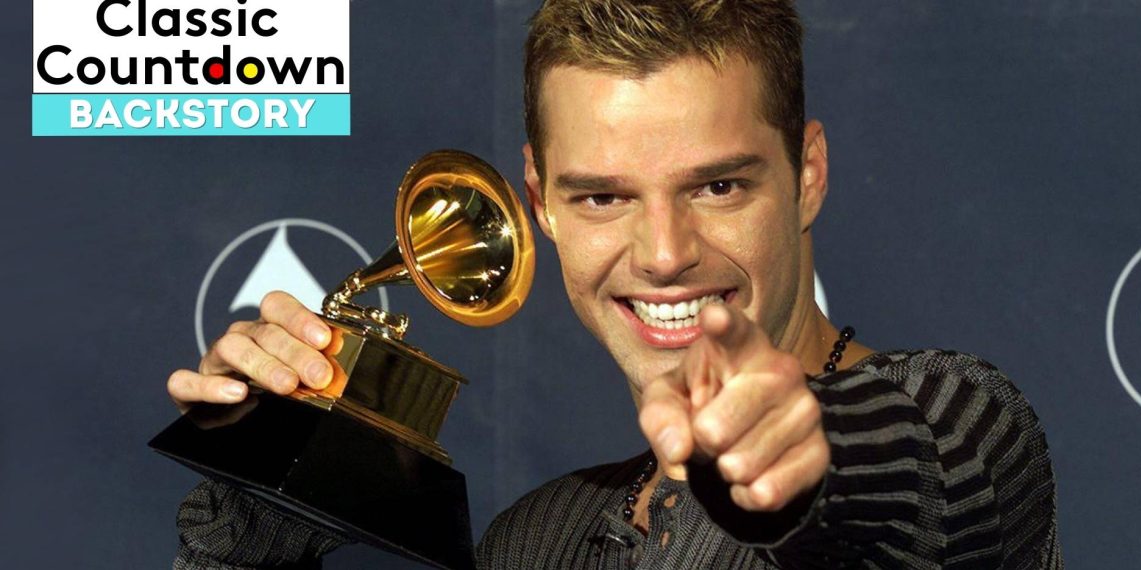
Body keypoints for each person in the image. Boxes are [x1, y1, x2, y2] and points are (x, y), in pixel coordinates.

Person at [166, 0, 1063, 567]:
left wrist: (813, 459)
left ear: (810, 175)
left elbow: (931, 474)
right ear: (539, 205)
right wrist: (261, 511)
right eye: (602, 196)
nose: (664, 253)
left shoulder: (968, 427)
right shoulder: (533, 539)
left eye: (718, 185)